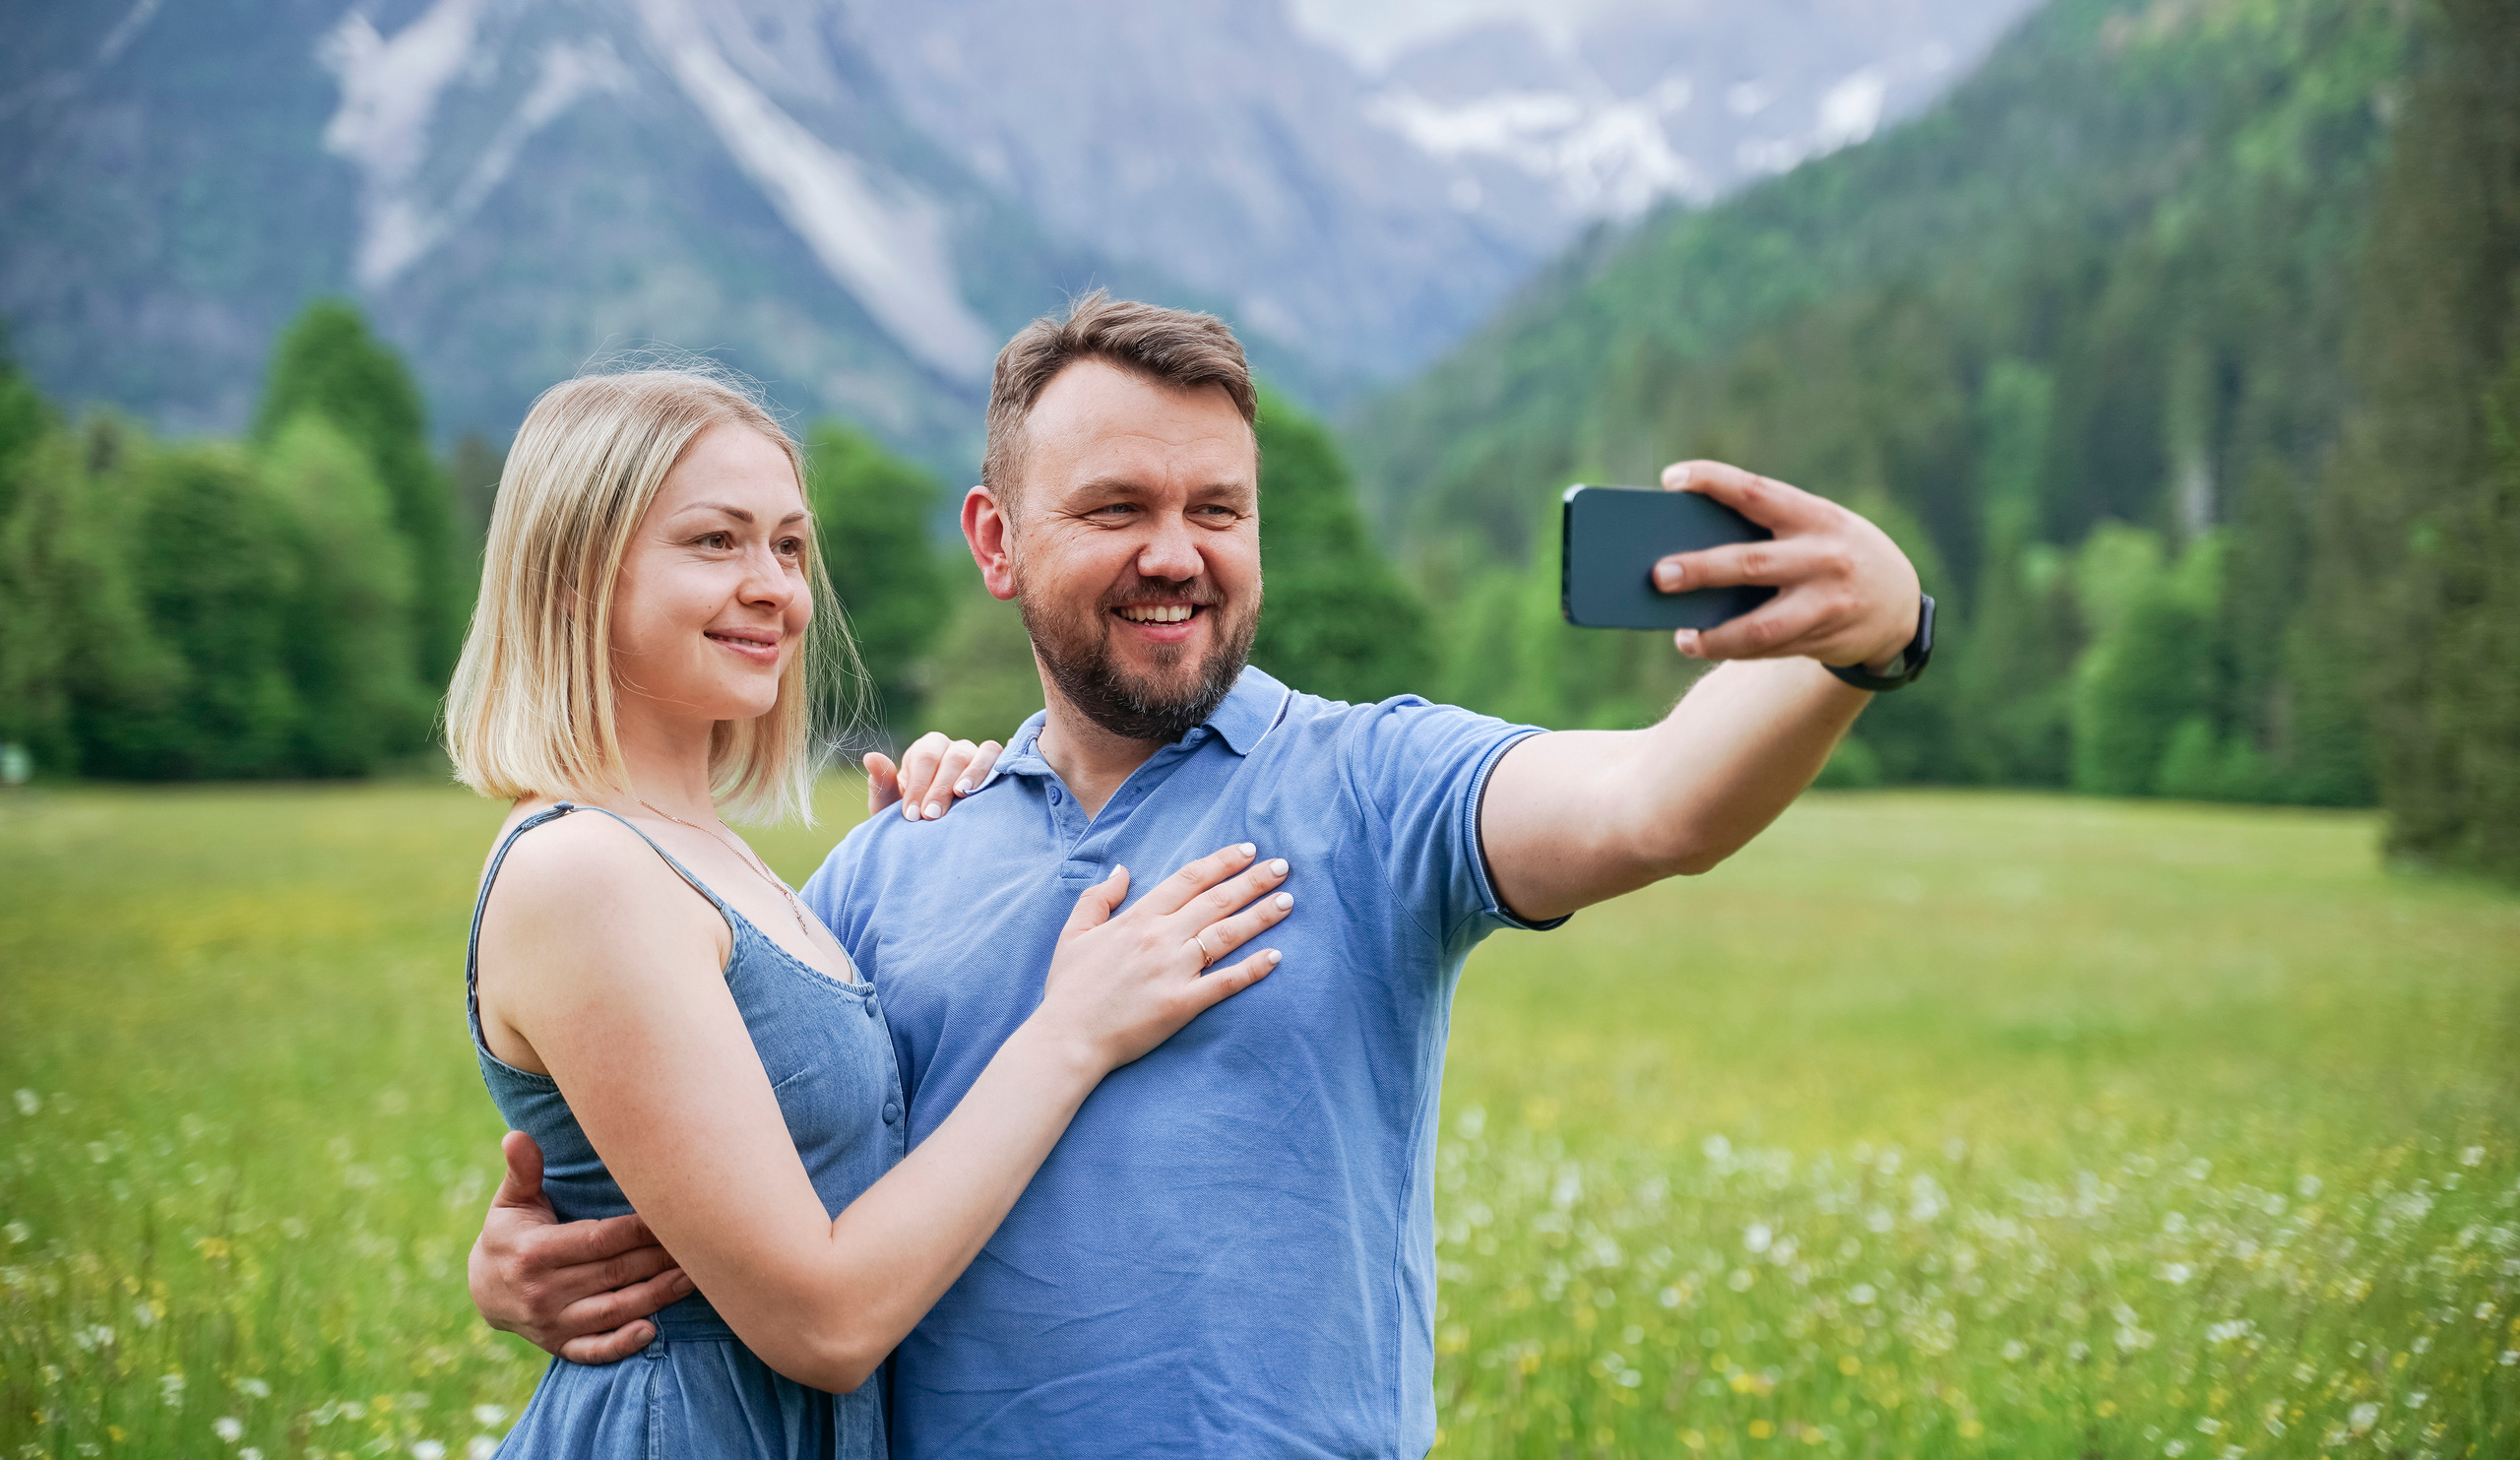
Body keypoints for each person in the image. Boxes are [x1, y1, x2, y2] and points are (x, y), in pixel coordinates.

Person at [472, 296, 1928, 1458]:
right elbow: (757, 1167)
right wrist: (541, 1252)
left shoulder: (1377, 784)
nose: (1177, 554)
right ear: (998, 541)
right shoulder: (888, 857)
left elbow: (1657, 803)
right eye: (1115, 508)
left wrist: (1864, 641)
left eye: (1217, 510)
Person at [446, 365, 1292, 1457]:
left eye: (789, 547)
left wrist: (971, 807)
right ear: (571, 577)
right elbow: (826, 1318)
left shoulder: (710, 860)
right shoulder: (584, 871)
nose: (773, 588)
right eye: (715, 541)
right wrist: (1075, 1031)